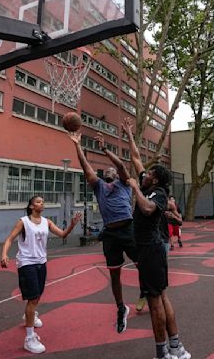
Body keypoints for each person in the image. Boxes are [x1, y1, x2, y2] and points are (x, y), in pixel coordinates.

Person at [123, 118, 191, 359]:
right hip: (147, 249)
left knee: (154, 302)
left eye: (149, 173)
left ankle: (163, 353)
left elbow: (150, 209)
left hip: (151, 249)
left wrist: (135, 189)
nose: (145, 173)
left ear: (157, 179)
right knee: (161, 296)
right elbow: (135, 158)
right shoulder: (148, 184)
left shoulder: (159, 193)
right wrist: (130, 134)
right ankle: (177, 348)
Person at [68, 131, 139, 333]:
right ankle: (120, 307)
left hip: (128, 229)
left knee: (143, 266)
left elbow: (122, 166)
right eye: (105, 169)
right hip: (111, 234)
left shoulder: (124, 184)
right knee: (114, 274)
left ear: (116, 175)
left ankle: (148, 295)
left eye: (111, 169)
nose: (108, 170)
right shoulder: (99, 187)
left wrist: (105, 149)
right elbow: (85, 167)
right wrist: (77, 146)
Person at [0, 196, 81, 354]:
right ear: (31, 206)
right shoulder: (23, 221)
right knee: (33, 298)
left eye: (43, 201)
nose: (41, 203)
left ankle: (30, 315)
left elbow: (63, 234)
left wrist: (72, 225)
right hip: (26, 263)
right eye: (38, 202)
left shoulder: (47, 222)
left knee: (36, 297)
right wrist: (4, 254)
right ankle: (29, 339)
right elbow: (9, 239)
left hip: (41, 262)